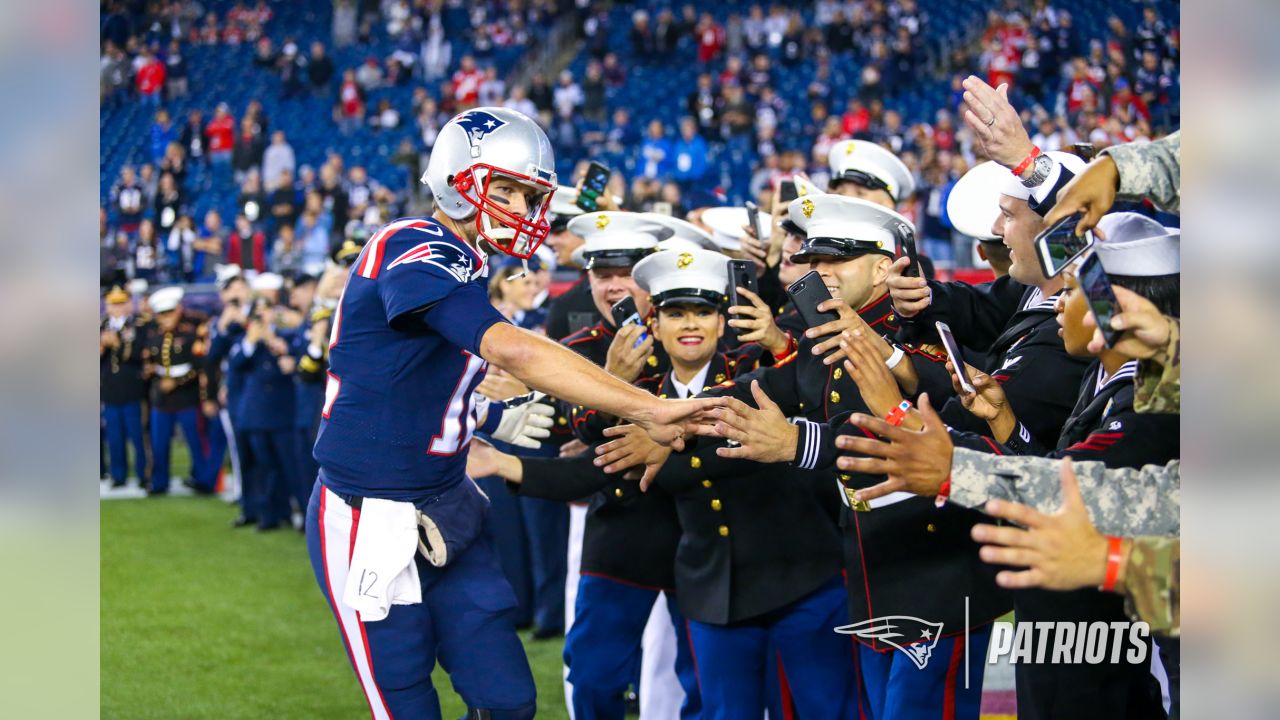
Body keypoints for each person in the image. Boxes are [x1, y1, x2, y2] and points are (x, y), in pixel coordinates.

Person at [305, 107, 722, 720]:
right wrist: (648, 406)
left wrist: (485, 418)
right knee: (405, 704)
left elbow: (408, 379)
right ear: (456, 180)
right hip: (369, 515)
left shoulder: (467, 264)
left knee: (507, 700)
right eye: (506, 190)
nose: (523, 210)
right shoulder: (410, 242)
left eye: (529, 195)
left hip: (448, 499)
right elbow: (510, 347)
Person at [141, 287, 216, 495]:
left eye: (170, 312)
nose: (166, 318)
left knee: (195, 441)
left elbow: (199, 366)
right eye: (162, 314)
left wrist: (177, 382)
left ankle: (202, 479)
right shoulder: (154, 336)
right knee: (159, 443)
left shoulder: (190, 333)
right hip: (161, 399)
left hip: (187, 398)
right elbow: (150, 362)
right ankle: (159, 482)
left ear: (178, 310)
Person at [101, 286, 149, 488]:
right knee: (114, 436)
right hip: (110, 389)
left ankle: (142, 474)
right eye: (114, 304)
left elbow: (141, 353)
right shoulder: (101, 325)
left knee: (137, 434)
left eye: (121, 303)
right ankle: (118, 475)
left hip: (132, 387)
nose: (117, 307)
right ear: (107, 306)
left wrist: (117, 344)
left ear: (129, 304)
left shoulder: (138, 325)